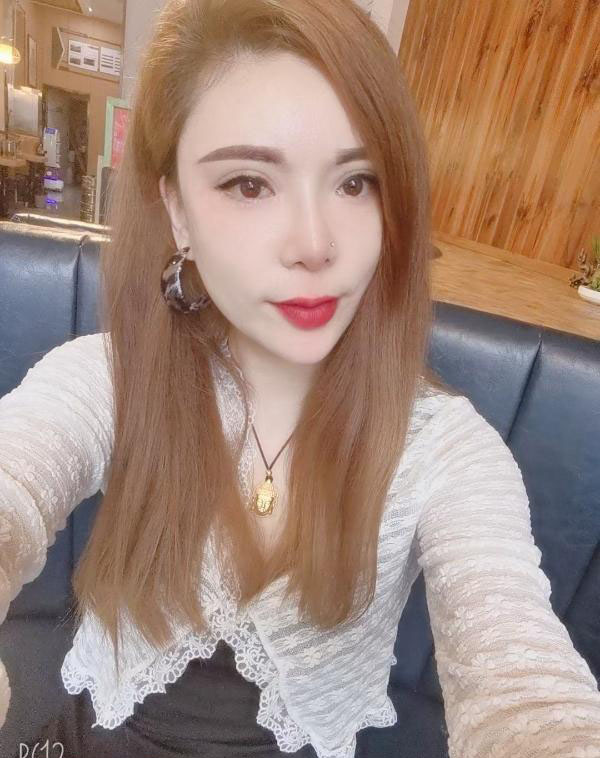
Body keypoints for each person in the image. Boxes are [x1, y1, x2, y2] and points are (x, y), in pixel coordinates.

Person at [1, 0, 600, 756]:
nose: (316, 244)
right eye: (250, 184)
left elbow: (521, 679)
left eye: (356, 182)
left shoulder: (444, 450)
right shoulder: (109, 379)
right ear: (177, 209)